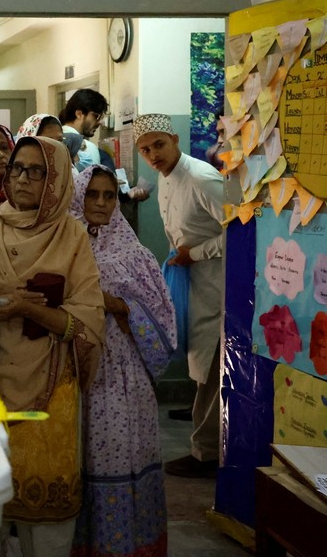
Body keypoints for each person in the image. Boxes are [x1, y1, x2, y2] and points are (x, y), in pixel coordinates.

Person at [0, 136, 105, 557]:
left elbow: (88, 319)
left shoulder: (72, 236)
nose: (22, 179)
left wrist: (30, 311)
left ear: (55, 180)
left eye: (37, 171)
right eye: (17, 168)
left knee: (48, 523)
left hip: (52, 385)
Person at [69, 165, 177, 557]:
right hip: (74, 369)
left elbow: (163, 317)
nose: (100, 203)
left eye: (109, 195)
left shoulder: (135, 253)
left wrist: (115, 304)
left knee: (121, 452)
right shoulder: (63, 243)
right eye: (92, 194)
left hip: (122, 374)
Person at [134, 113, 224, 478]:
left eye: (159, 145)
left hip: (220, 288)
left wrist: (196, 254)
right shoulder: (165, 177)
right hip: (192, 285)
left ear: (174, 139)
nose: (153, 154)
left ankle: (207, 455)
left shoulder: (204, 177)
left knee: (215, 370)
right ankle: (207, 447)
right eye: (145, 149)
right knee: (203, 369)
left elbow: (245, 227)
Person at [59, 89, 108, 171]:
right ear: (79, 114)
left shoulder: (52, 140)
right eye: (96, 116)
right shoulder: (89, 148)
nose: (99, 122)